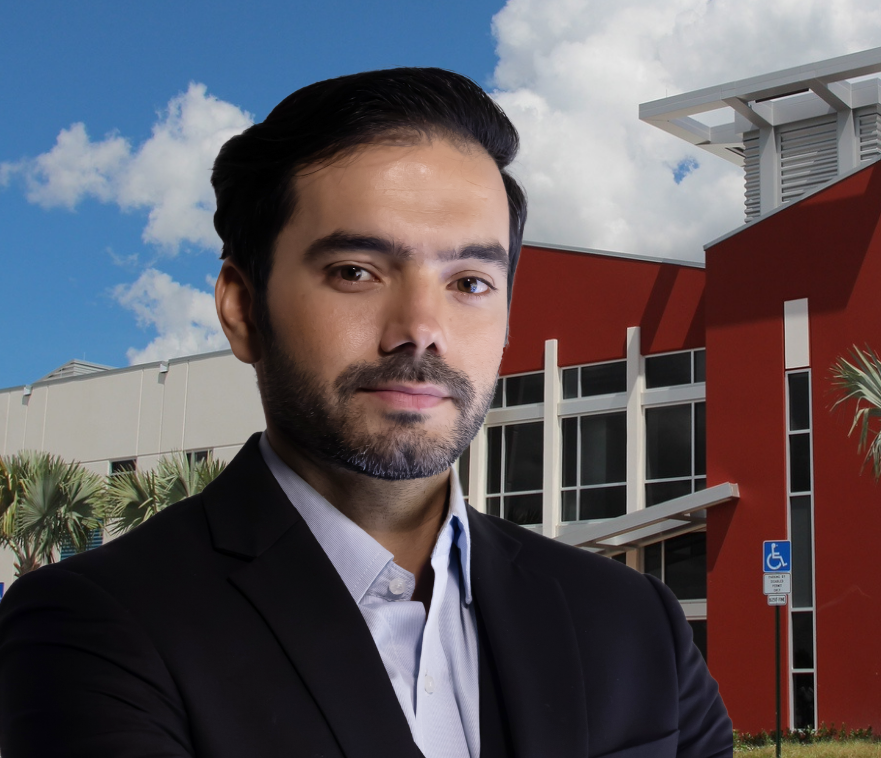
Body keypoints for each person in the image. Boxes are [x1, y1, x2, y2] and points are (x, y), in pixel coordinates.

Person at [0, 68, 733, 758]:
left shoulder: (635, 623)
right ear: (243, 308)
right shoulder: (97, 627)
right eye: (356, 271)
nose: (421, 326)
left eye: (470, 281)